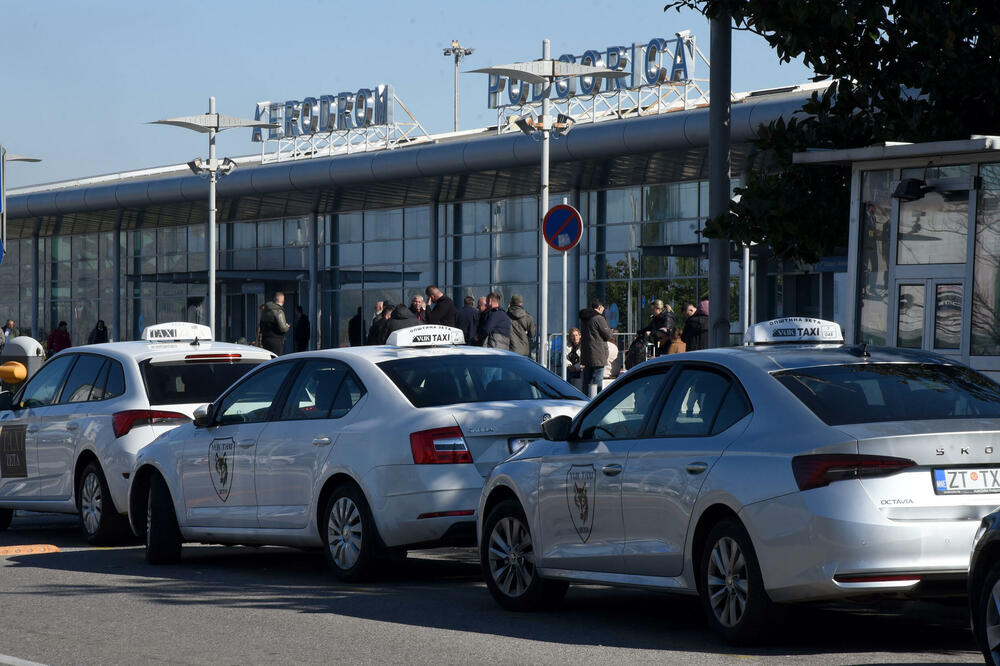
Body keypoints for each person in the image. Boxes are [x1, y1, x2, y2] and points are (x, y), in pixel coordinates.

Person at [579, 299, 615, 396]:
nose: (603, 310)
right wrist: (611, 331)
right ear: (599, 307)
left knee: (587, 380)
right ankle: (597, 401)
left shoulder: (584, 318)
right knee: (597, 380)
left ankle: (585, 399)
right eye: (603, 308)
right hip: (598, 354)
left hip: (587, 353)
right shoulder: (598, 318)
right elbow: (607, 335)